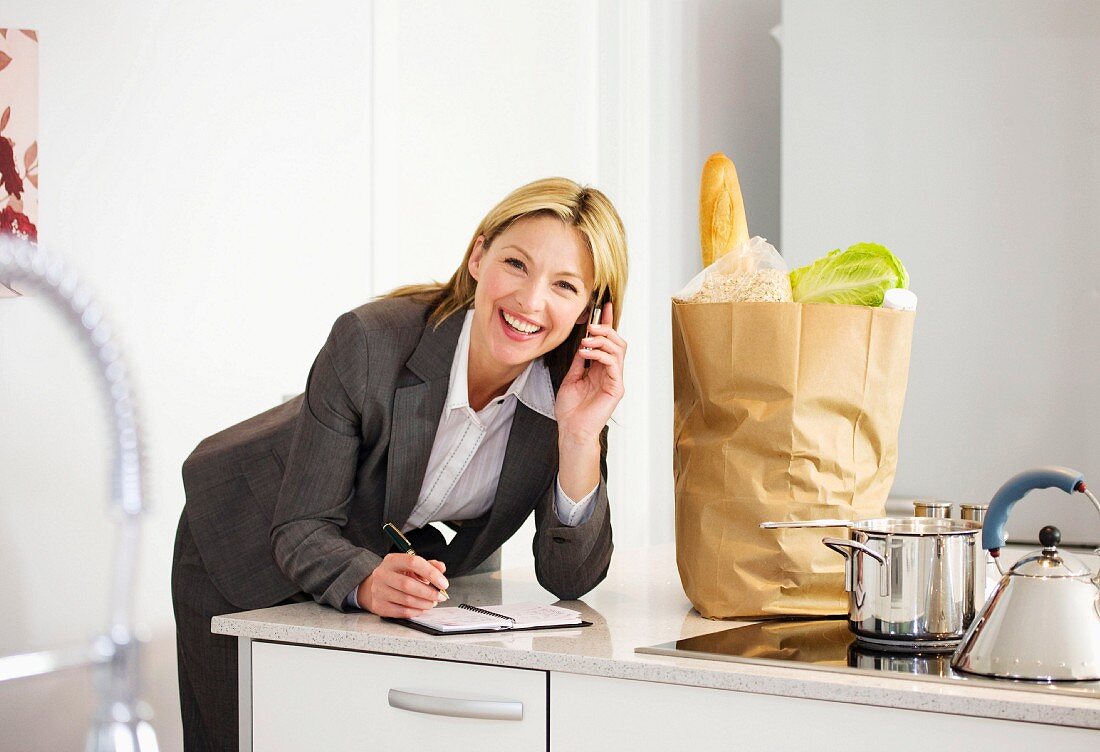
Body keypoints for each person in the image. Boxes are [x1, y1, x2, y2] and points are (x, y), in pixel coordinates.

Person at [171, 176, 629, 750]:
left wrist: (581, 436)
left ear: (594, 310)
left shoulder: (570, 396)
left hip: (364, 556)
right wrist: (364, 578)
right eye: (516, 264)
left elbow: (569, 578)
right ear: (478, 255)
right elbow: (301, 527)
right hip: (243, 532)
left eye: (565, 285)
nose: (531, 301)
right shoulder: (370, 339)